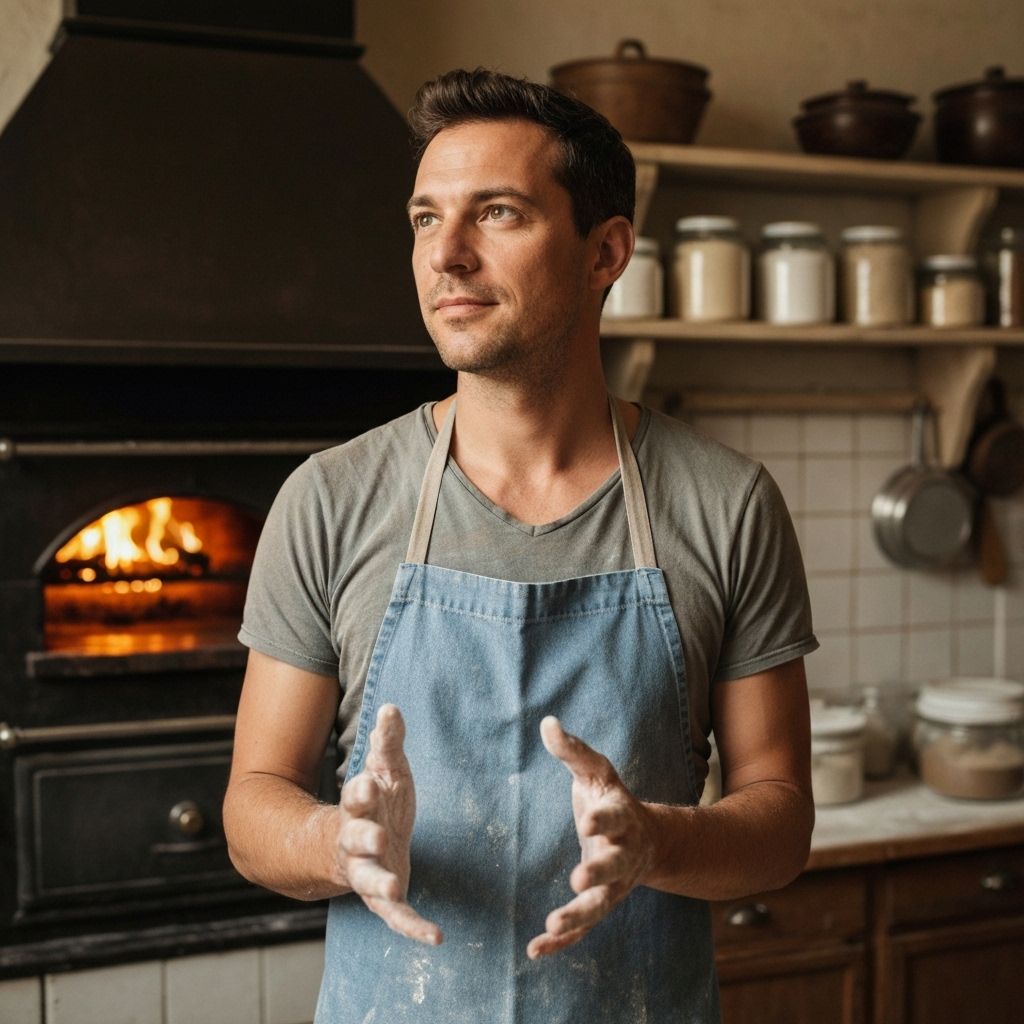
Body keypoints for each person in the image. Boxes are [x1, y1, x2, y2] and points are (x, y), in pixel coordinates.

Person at [223, 67, 817, 1023]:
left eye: (495, 213)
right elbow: (254, 807)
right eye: (425, 219)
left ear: (605, 251)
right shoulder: (329, 499)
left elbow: (780, 820)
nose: (445, 256)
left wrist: (656, 842)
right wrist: (339, 842)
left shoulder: (725, 504)